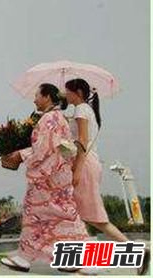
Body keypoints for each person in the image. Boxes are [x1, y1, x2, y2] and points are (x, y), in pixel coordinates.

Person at [0, 84, 91, 273]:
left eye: (37, 95)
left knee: (36, 216)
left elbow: (43, 150)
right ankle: (70, 258)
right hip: (59, 176)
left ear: (47, 97)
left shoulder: (50, 119)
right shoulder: (59, 118)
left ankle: (25, 258)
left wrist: (20, 154)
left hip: (48, 179)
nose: (34, 99)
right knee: (62, 218)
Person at [65, 78, 149, 275]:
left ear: (77, 91)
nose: (65, 94)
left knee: (94, 217)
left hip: (84, 165)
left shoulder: (81, 110)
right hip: (88, 164)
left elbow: (83, 140)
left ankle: (133, 253)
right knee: (79, 214)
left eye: (67, 91)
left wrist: (77, 170)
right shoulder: (84, 110)